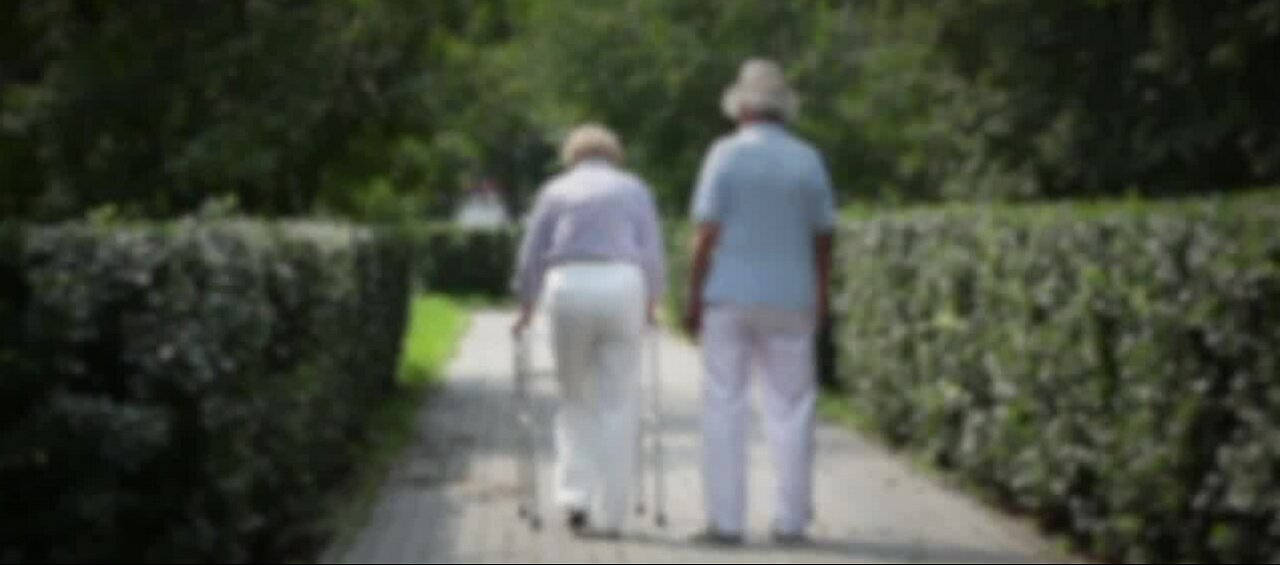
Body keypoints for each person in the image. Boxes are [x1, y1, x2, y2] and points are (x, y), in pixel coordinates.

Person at [683, 58, 836, 545]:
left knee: (724, 404)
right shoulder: (808, 159)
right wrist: (821, 294)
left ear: (742, 107)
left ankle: (726, 522)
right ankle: (791, 522)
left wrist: (692, 294)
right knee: (792, 407)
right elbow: (824, 237)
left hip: (729, 296)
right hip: (792, 298)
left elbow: (706, 232)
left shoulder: (724, 154)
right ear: (783, 109)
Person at [512, 123, 666, 539]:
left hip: (569, 285)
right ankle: (612, 514)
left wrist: (526, 306)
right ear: (614, 155)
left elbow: (532, 253)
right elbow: (652, 251)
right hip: (623, 283)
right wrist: (653, 302)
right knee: (619, 402)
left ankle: (575, 497)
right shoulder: (634, 189)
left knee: (574, 395)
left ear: (571, 156)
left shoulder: (554, 190)